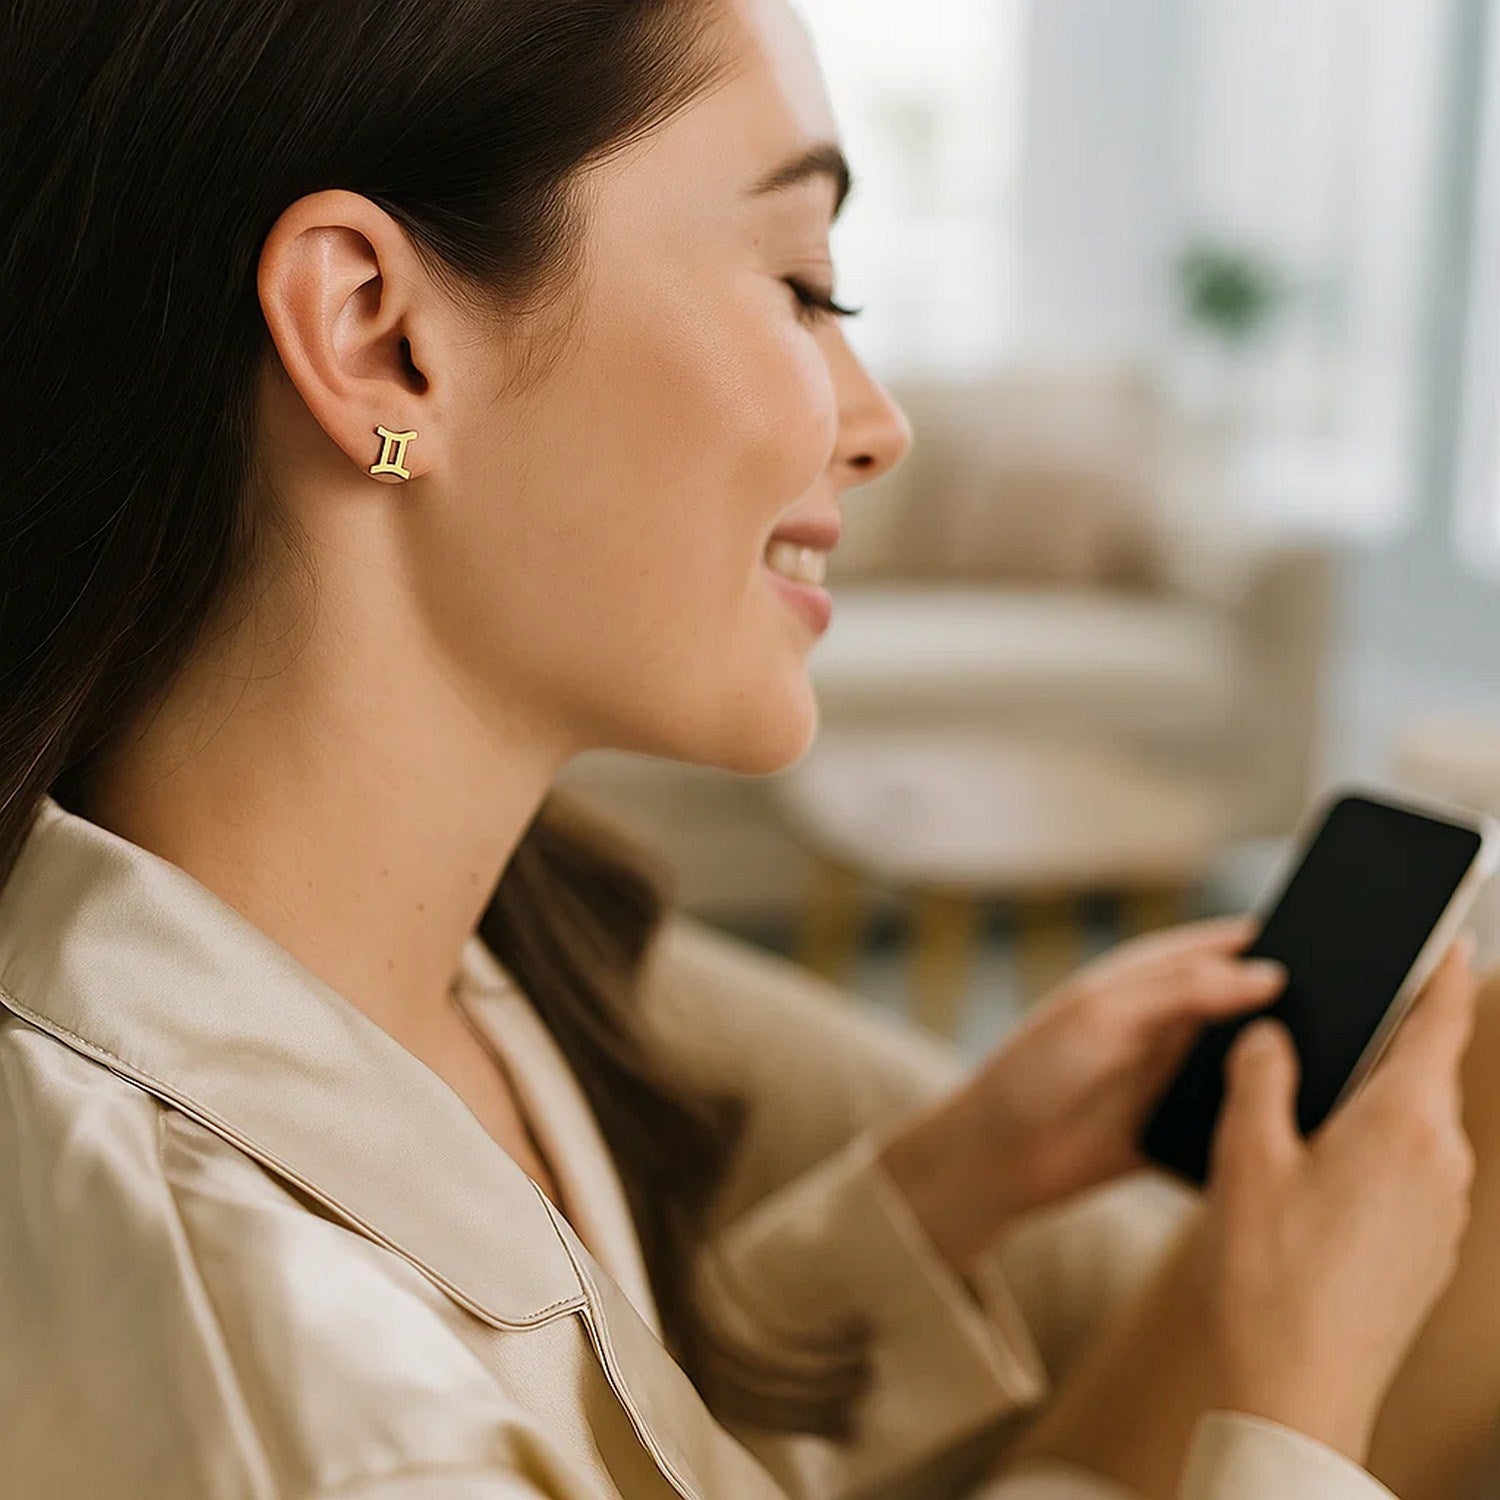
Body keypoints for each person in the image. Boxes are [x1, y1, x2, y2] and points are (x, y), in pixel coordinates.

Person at [0, 1, 1493, 1496]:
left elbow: (629, 1440)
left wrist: (948, 1183)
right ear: (380, 339)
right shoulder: (289, 1364)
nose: (878, 423)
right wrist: (1302, 1397)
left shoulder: (423, 973)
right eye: (801, 284)